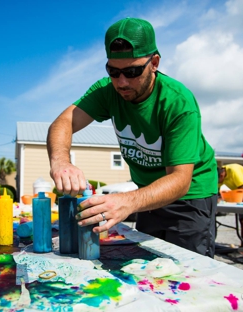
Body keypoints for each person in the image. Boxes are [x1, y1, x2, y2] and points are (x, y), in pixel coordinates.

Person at [47, 17, 218, 257]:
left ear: (155, 63)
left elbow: (180, 180)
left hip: (190, 196)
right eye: (113, 72)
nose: (122, 82)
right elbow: (63, 122)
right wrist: (61, 161)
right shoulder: (107, 91)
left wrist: (127, 201)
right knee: (149, 266)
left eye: (132, 71)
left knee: (188, 274)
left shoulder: (178, 103)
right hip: (146, 195)